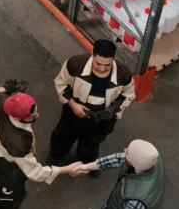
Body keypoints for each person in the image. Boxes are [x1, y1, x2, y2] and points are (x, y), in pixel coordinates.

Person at [0, 81, 83, 209]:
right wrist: (65, 169)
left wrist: (2, 89)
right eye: (32, 116)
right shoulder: (17, 144)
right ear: (18, 118)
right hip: (7, 172)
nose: (37, 115)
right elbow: (36, 172)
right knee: (10, 199)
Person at [47, 39, 135, 175]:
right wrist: (73, 104)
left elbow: (128, 94)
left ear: (113, 58)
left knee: (92, 144)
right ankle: (56, 156)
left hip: (101, 119)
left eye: (107, 65)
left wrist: (114, 109)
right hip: (73, 114)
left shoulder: (124, 75)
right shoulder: (75, 65)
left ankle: (88, 163)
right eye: (98, 63)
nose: (102, 68)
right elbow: (61, 84)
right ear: (92, 55)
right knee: (63, 135)